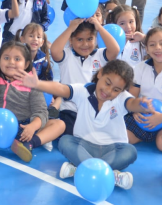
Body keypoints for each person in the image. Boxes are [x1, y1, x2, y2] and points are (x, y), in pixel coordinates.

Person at [15, 59, 155, 189]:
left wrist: (142, 105)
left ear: (122, 91)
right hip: (84, 145)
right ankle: (109, 174)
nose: (109, 91)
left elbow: (132, 104)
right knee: (65, 141)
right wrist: (38, 84)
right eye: (107, 83)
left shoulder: (122, 99)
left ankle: (80, 169)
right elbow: (61, 88)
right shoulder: (82, 91)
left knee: (130, 151)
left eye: (116, 89)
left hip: (112, 149)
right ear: (100, 73)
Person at [0, 41, 65, 162]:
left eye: (17, 59)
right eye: (6, 58)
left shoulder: (31, 82)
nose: (11, 62)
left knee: (59, 125)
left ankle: (28, 143)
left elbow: (40, 110)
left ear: (26, 64)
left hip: (23, 128)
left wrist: (32, 127)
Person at [50, 18, 120, 135]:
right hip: (70, 110)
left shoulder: (100, 55)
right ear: (71, 40)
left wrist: (99, 27)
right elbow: (54, 51)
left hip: (93, 110)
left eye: (90, 39)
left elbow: (115, 50)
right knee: (73, 132)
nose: (85, 44)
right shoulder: (67, 55)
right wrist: (70, 28)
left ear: (96, 39)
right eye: (79, 39)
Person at [125, 28, 162, 150]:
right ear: (146, 49)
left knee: (161, 144)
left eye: (161, 43)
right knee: (124, 137)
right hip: (143, 114)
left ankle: (155, 135)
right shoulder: (141, 68)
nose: (158, 47)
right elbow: (132, 97)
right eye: (152, 44)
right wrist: (135, 109)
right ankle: (146, 135)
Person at [106, 4, 146, 68]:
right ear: (114, 24)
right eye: (122, 23)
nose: (128, 27)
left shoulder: (142, 43)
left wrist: (144, 39)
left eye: (131, 22)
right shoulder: (109, 42)